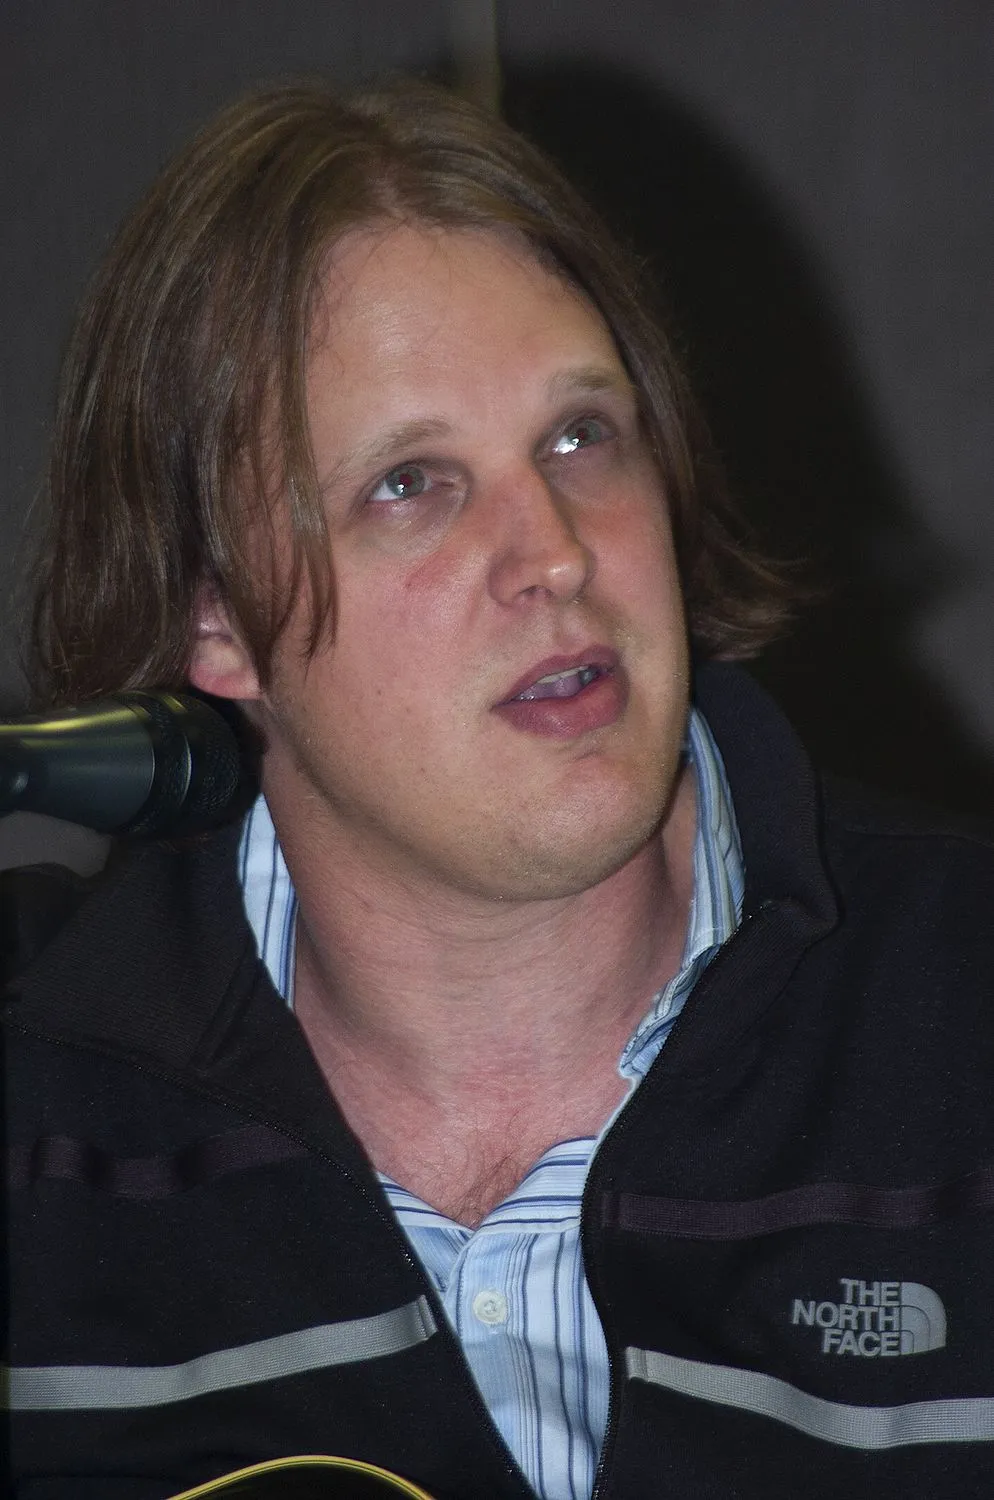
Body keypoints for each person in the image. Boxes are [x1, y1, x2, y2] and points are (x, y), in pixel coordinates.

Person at [5, 78, 994, 1500]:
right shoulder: (45, 1123)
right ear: (215, 617)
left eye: (582, 436)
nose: (554, 553)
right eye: (411, 483)